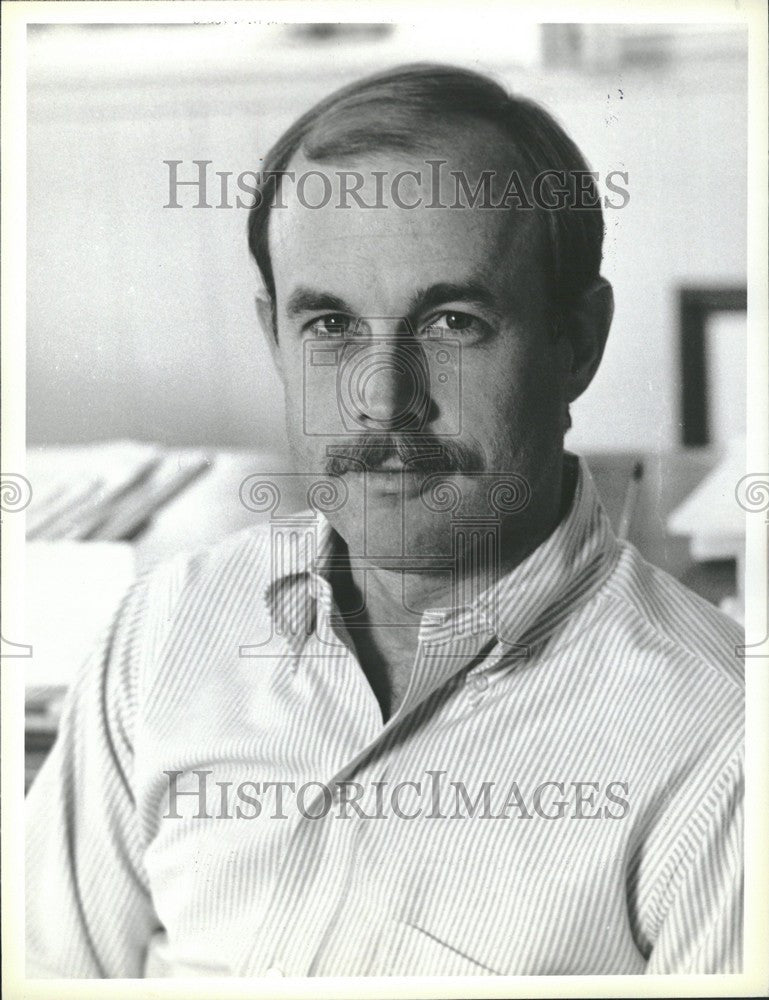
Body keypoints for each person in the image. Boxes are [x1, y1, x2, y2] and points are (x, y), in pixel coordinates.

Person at [26, 63, 743, 978]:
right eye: (328, 326)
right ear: (275, 341)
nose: (383, 400)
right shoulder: (163, 631)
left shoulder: (723, 746)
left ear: (576, 343)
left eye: (450, 322)